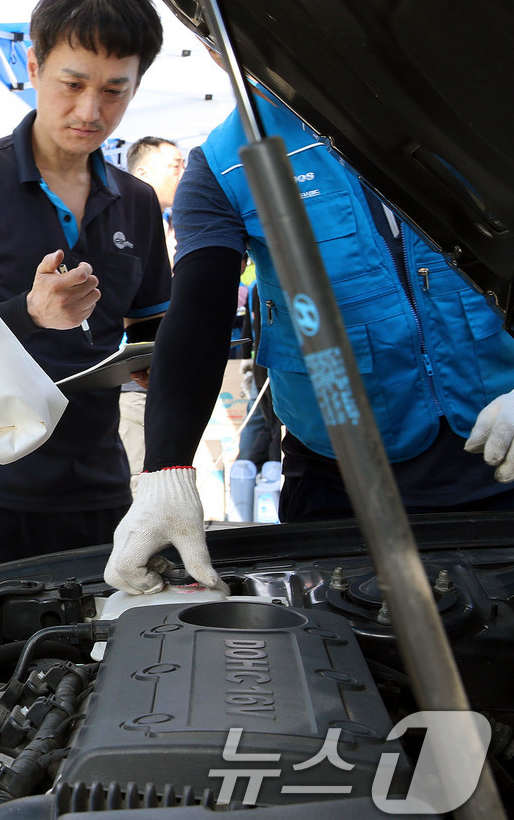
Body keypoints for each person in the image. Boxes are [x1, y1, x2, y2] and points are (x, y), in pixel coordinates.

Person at [105, 87, 514, 595]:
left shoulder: (474, 99)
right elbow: (200, 312)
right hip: (340, 491)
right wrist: (165, 469)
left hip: (503, 458)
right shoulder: (222, 164)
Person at [0, 0, 172, 586]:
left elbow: (156, 333)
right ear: (33, 64)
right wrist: (26, 312)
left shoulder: (135, 202)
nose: (90, 111)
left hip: (101, 494)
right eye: (72, 84)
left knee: (108, 671)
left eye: (114, 91)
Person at [118, 135, 186, 483]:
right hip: (131, 382)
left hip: (164, 375)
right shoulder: (123, 224)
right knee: (141, 484)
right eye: (175, 166)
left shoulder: (172, 224)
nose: (183, 174)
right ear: (143, 172)